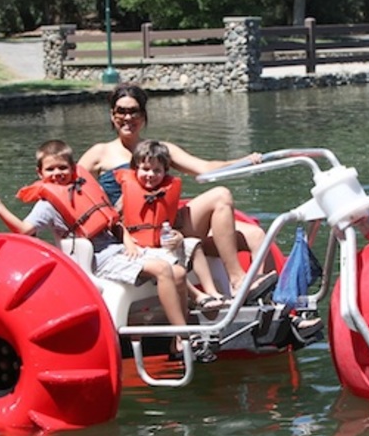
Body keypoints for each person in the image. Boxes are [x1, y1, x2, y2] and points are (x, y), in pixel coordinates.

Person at [0, 139, 191, 357]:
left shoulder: (84, 188)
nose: (57, 173)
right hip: (99, 261)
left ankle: (176, 339)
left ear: (74, 168)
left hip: (118, 250)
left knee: (179, 272)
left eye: (62, 167)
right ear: (40, 173)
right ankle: (183, 336)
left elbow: (111, 220)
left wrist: (127, 240)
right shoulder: (46, 206)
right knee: (163, 269)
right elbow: (25, 230)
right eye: (50, 169)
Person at [76, 83, 277, 302]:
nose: (127, 117)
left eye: (133, 111)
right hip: (132, 236)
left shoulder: (159, 150)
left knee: (256, 234)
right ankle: (238, 280)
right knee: (220, 195)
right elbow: (72, 191)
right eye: (121, 111)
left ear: (143, 116)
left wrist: (244, 160)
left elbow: (205, 168)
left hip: (170, 231)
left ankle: (269, 306)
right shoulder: (99, 153)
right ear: (112, 115)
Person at [116, 139, 230, 311]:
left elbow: (173, 223)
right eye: (145, 169)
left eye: (157, 171)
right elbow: (114, 221)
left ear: (164, 172)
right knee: (171, 265)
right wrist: (129, 243)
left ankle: (212, 292)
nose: (151, 175)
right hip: (141, 250)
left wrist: (178, 236)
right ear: (135, 169)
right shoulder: (126, 196)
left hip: (162, 245)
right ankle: (198, 297)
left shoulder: (165, 193)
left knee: (194, 244)